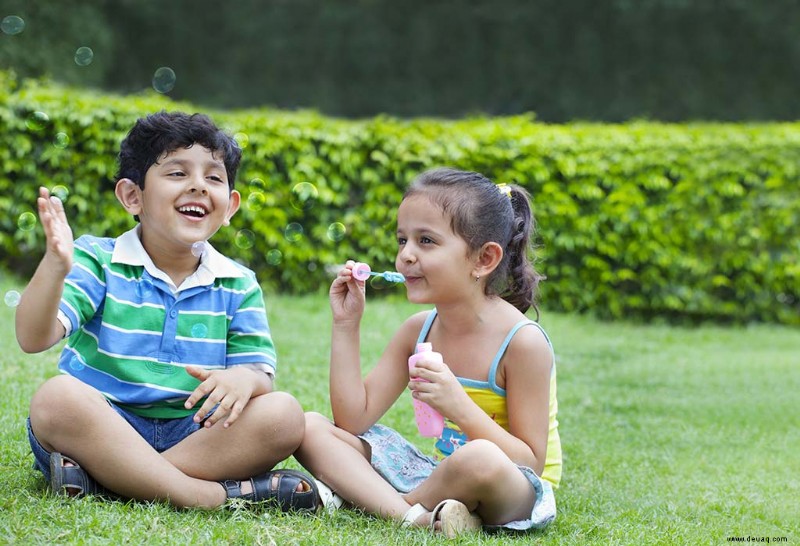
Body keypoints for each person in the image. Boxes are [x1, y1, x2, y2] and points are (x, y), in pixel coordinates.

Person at [15, 111, 319, 511]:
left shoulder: (237, 282)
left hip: (197, 435)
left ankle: (114, 480)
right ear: (132, 196)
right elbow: (33, 338)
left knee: (285, 414)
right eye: (177, 173)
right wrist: (55, 266)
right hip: (105, 426)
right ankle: (205, 495)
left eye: (213, 177)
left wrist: (242, 381)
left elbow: (259, 374)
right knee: (56, 398)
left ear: (230, 206)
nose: (198, 185)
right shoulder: (97, 259)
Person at [295, 167, 562, 537]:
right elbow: (352, 420)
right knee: (309, 425)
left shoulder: (523, 343)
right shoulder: (418, 329)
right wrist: (346, 324)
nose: (405, 255)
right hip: (440, 474)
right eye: (402, 239)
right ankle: (423, 516)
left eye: (426, 241)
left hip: (511, 487)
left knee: (478, 458)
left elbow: (530, 460)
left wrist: (458, 405)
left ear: (483, 260)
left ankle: (391, 505)